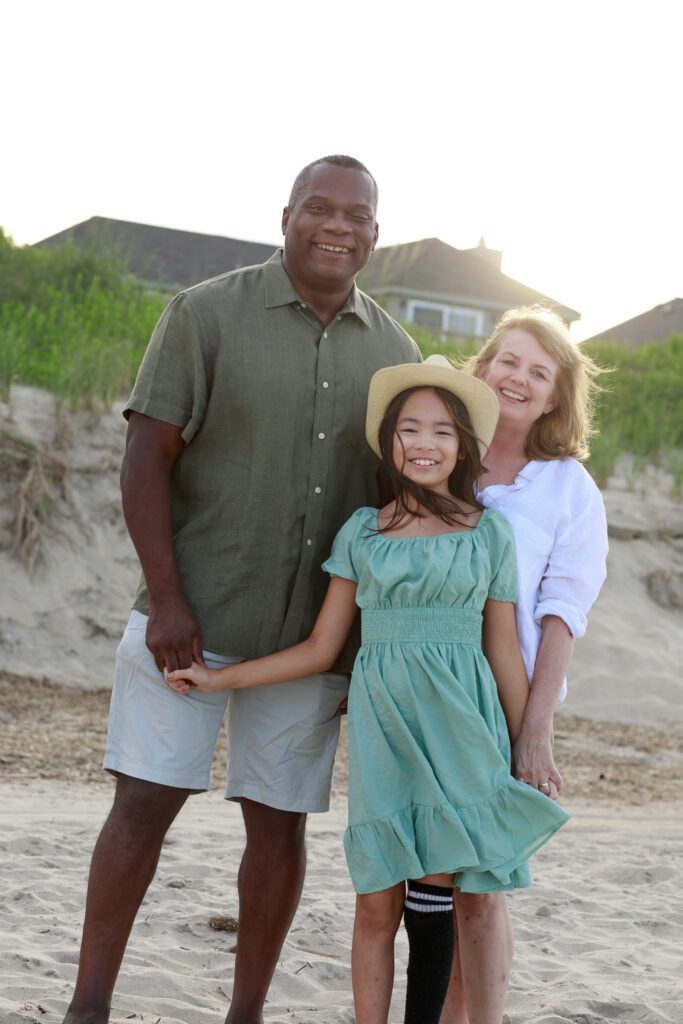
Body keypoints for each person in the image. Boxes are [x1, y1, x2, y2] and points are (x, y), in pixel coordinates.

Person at [62, 155, 422, 1024]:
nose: (338, 227)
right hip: (190, 617)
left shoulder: (395, 351)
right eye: (320, 209)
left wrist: (363, 645)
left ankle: (246, 1014)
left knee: (279, 824)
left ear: (376, 232)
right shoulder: (204, 312)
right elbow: (147, 454)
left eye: (357, 216)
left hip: (309, 639)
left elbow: (391, 502)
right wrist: (168, 599)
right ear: (287, 215)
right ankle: (88, 1006)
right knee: (143, 805)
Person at [166, 356, 570, 1024]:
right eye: (408, 428)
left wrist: (530, 744)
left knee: (442, 889)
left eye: (442, 431)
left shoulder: (487, 533)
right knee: (376, 899)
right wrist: (219, 676)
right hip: (385, 732)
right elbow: (320, 649)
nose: (424, 443)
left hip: (463, 731)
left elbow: (501, 650)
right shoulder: (362, 533)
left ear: (462, 446)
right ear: (387, 442)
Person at [439, 306, 608, 1024]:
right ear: (481, 367)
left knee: (481, 882)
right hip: (424, 685)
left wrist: (533, 729)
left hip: (503, 701)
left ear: (552, 397)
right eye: (508, 360)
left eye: (538, 372)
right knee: (431, 877)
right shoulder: (433, 452)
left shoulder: (567, 488)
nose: (519, 378)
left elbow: (561, 613)